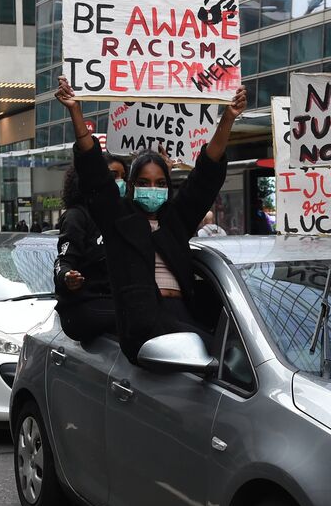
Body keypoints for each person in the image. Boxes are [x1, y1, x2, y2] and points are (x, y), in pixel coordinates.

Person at [55, 76, 246, 362]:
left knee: (233, 355)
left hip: (184, 316)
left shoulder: (176, 220)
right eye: (144, 182)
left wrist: (228, 119)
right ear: (131, 188)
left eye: (160, 183)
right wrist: (75, 112)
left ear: (169, 188)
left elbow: (204, 177)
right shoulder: (118, 222)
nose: (152, 189)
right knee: (224, 359)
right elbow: (95, 174)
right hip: (144, 325)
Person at [54, 154, 128, 341]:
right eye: (113, 175)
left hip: (117, 302)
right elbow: (63, 262)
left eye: (123, 176)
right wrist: (68, 277)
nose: (119, 181)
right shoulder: (77, 217)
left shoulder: (123, 217)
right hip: (86, 306)